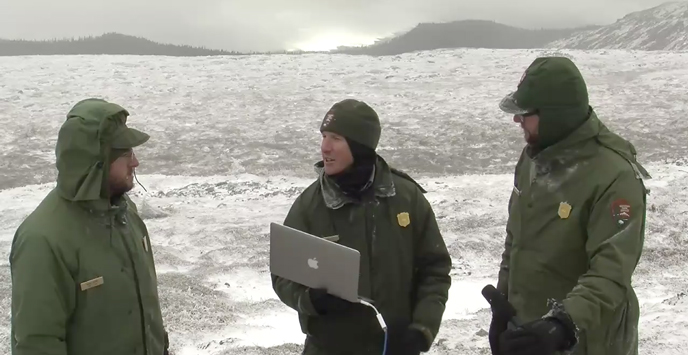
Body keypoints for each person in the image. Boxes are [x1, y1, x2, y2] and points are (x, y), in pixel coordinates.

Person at [490, 56, 650, 355]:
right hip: (532, 335)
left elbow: (610, 273)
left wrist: (562, 325)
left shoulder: (614, 175)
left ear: (555, 116)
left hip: (589, 340)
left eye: (526, 112)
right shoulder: (532, 160)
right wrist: (504, 307)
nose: (517, 119)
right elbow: (516, 240)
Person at [271, 99, 452, 355]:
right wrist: (309, 300)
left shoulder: (406, 198)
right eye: (323, 136)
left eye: (335, 138)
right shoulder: (310, 204)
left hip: (394, 347)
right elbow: (282, 274)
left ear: (360, 145)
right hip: (327, 348)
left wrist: (422, 329)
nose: (324, 147)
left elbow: (435, 270)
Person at [9, 98, 170, 355]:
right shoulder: (43, 240)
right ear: (98, 162)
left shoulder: (125, 213)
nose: (136, 162)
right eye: (125, 153)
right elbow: (37, 344)